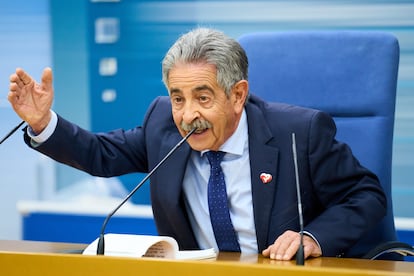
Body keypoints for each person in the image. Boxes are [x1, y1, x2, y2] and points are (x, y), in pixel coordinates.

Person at [8, 27, 386, 260]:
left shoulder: (298, 133)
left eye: (203, 98)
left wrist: (313, 237)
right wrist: (42, 123)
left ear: (237, 95)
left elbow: (366, 196)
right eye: (177, 98)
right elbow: (101, 154)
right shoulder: (163, 126)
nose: (188, 115)